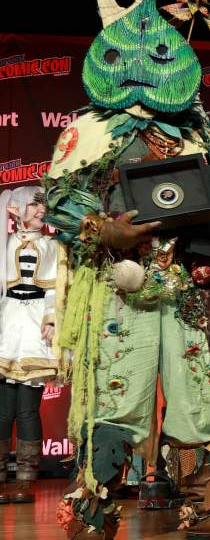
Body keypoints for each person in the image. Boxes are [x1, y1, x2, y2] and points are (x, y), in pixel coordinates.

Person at [45, 0, 210, 540]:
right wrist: (104, 228)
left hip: (186, 285)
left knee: (199, 395)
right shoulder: (89, 131)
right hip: (121, 286)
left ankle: (208, 510)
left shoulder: (199, 130)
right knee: (118, 394)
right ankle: (94, 514)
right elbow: (61, 199)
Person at [0, 186, 57, 504]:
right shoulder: (4, 242)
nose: (40, 210)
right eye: (34, 205)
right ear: (16, 210)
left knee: (26, 410)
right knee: (2, 412)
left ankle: (25, 481)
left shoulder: (51, 245)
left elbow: (55, 288)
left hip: (34, 327)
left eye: (43, 205)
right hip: (7, 323)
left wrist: (51, 318)